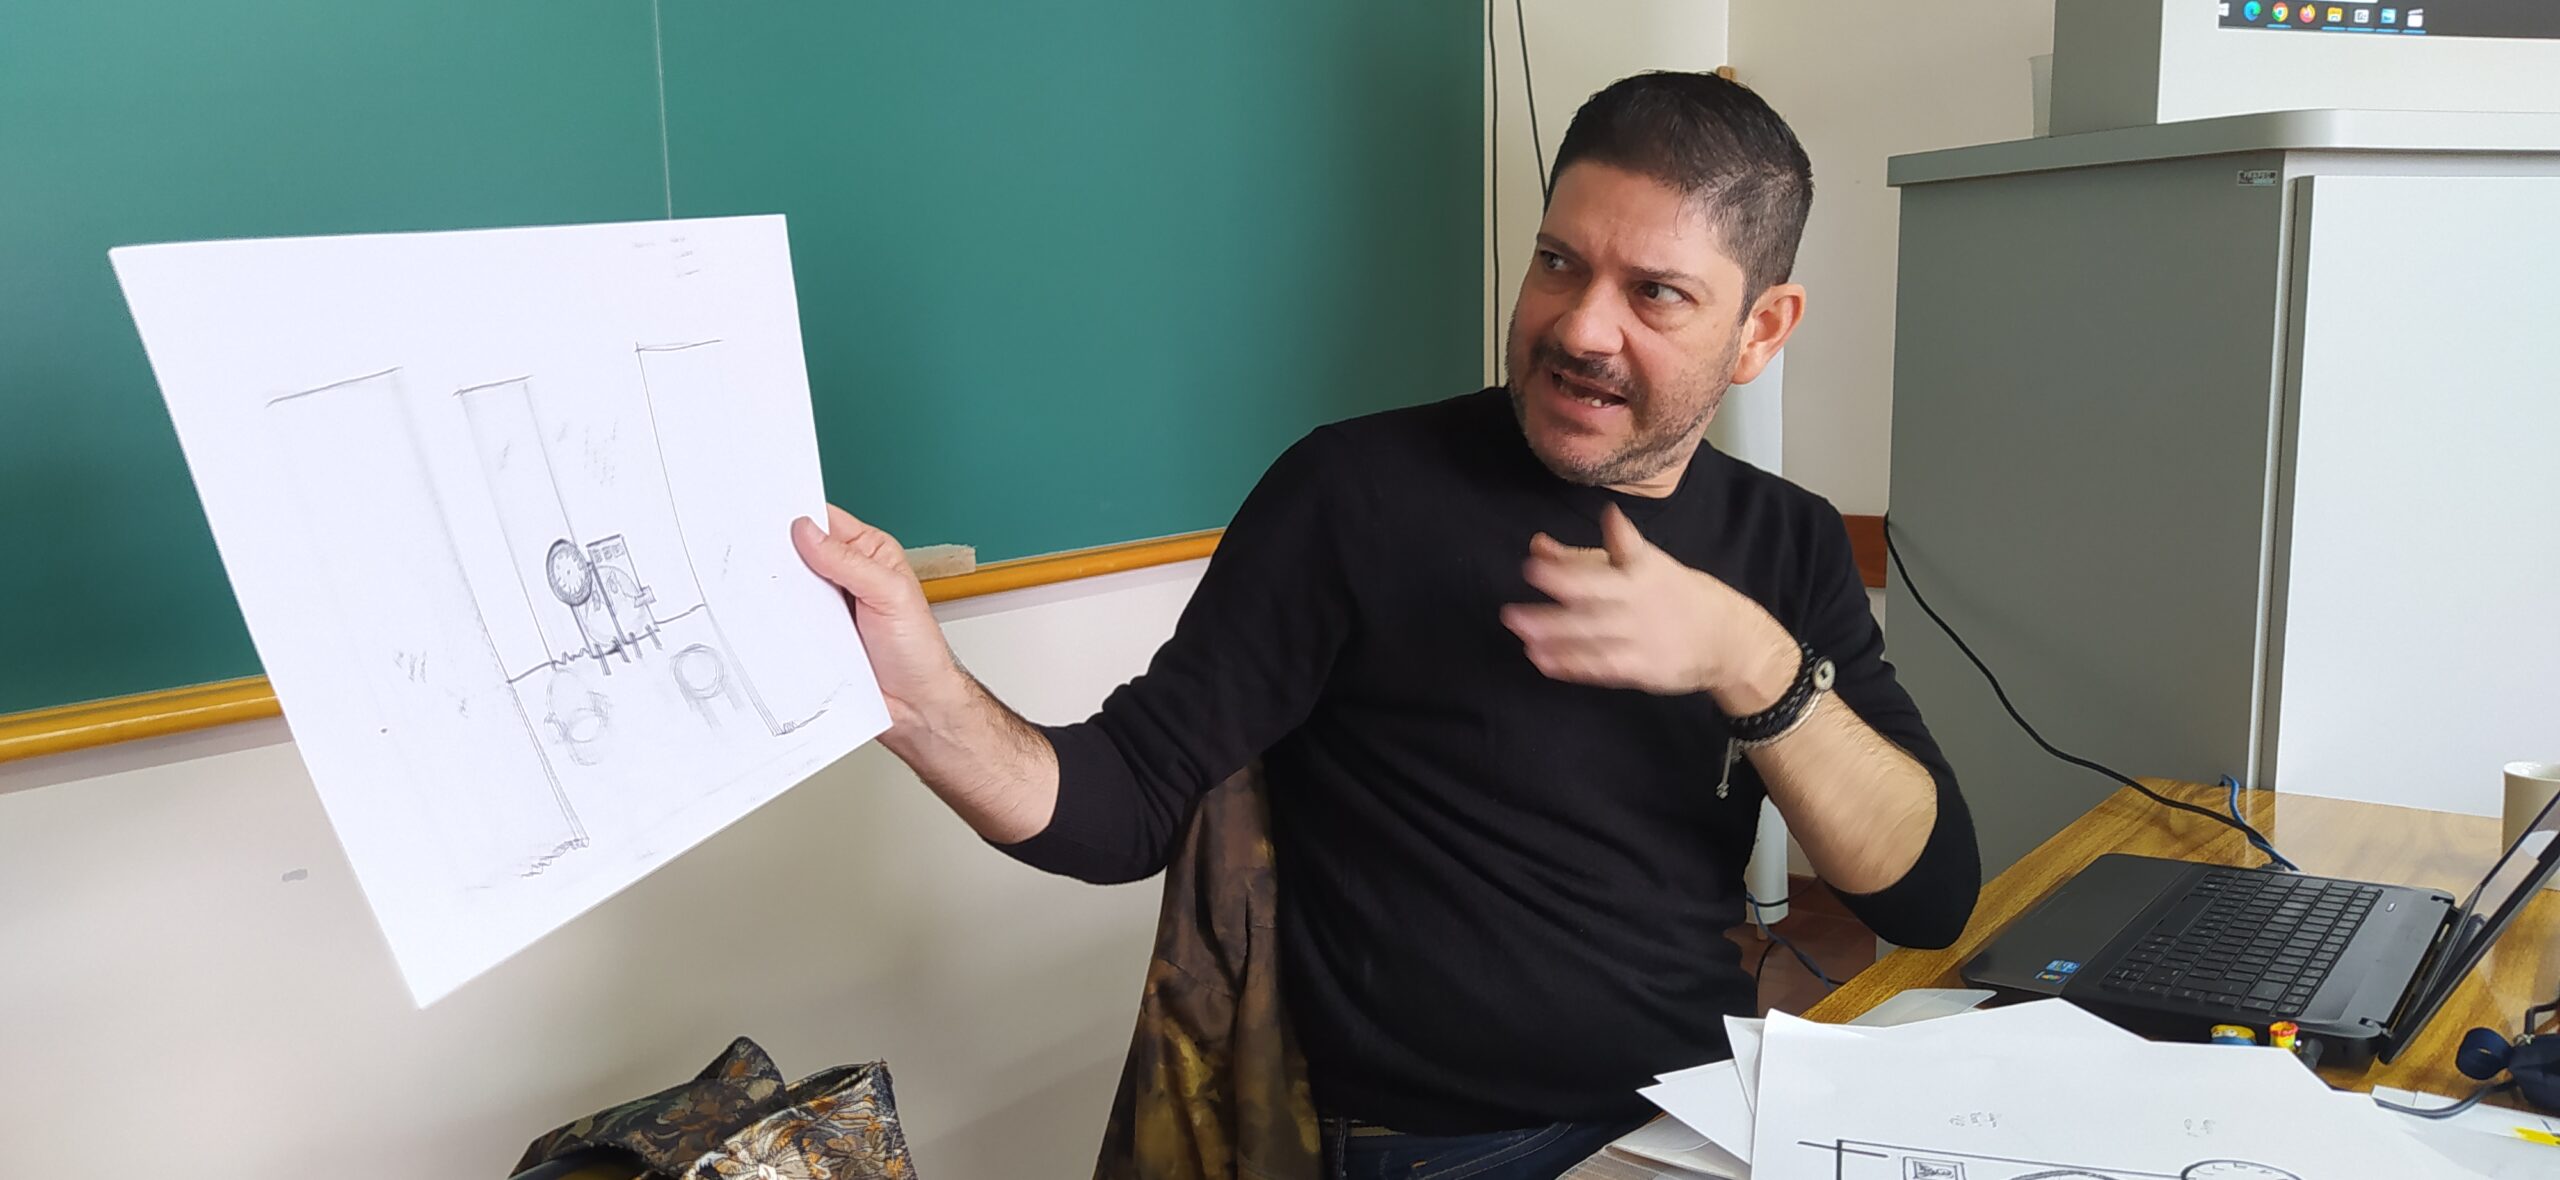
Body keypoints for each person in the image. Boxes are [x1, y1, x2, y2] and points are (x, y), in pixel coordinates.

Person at [792, 70, 1979, 1180]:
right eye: (1558, 263)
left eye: (1654, 292)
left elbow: (1925, 899)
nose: (1579, 328)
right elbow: (1124, 802)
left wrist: (1748, 660)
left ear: (1762, 330)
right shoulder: (1353, 494)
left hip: (1697, 1113)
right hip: (1444, 1145)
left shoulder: (1788, 539)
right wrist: (924, 699)